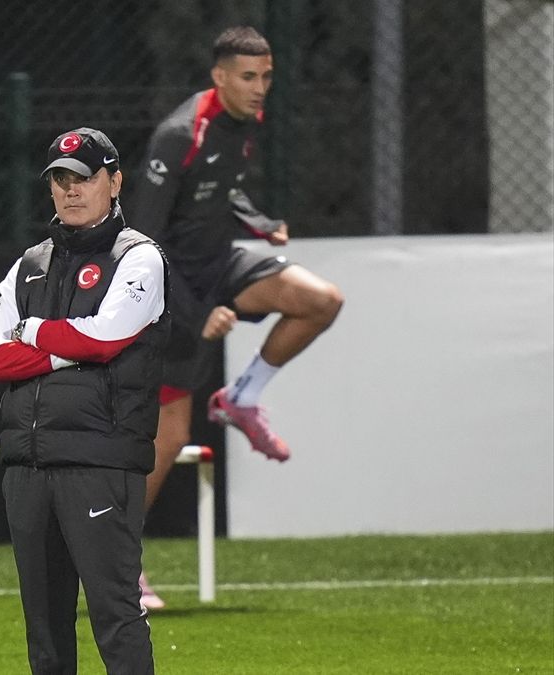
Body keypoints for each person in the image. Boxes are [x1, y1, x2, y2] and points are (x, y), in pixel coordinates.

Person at [126, 26, 345, 610]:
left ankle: (241, 398)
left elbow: (223, 192)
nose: (259, 87)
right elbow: (141, 242)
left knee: (321, 300)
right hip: (170, 286)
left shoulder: (244, 120)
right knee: (169, 436)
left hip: (220, 263)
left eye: (266, 76)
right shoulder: (179, 134)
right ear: (219, 77)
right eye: (248, 77)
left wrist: (259, 222)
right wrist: (196, 314)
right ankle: (119, 565)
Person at [0, 128, 167, 674]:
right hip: (29, 465)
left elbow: (106, 340)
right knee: (44, 629)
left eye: (83, 178)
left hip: (100, 461)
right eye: (60, 179)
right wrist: (68, 350)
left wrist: (33, 331)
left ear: (115, 182)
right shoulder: (29, 264)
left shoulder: (139, 258)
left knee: (115, 614)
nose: (71, 190)